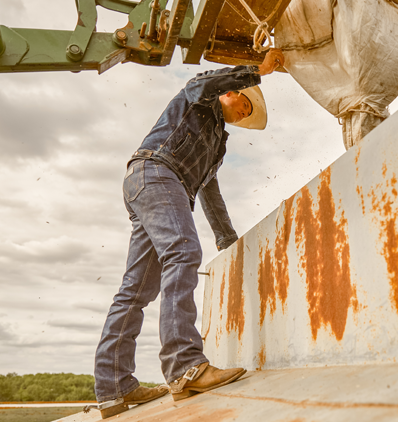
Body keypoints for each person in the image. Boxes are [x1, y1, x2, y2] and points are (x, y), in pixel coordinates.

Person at [89, 49, 285, 419]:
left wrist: (227, 240)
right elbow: (202, 81)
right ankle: (184, 367)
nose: (244, 114)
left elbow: (210, 193)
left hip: (151, 183)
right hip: (157, 173)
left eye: (248, 115)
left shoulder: (216, 144)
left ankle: (114, 388)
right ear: (232, 92)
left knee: (137, 288)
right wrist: (256, 71)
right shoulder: (201, 97)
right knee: (182, 250)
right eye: (245, 105)